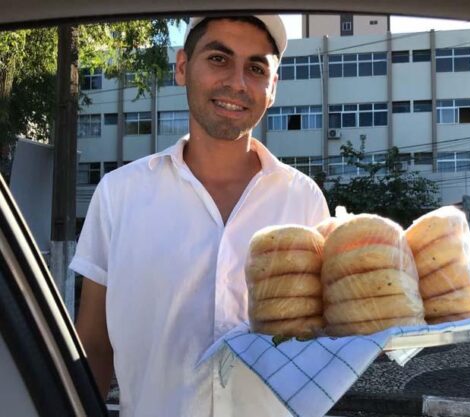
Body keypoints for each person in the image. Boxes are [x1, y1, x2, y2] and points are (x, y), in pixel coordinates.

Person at [72, 15, 329, 417]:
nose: (237, 83)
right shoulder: (119, 195)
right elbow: (94, 346)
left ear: (273, 88)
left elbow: (319, 342)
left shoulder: (303, 200)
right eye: (218, 59)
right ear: (182, 67)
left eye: (256, 68)